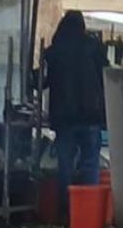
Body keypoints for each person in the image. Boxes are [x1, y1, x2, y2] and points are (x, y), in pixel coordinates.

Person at [43, 11, 107, 187]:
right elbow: (106, 76)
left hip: (64, 117)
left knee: (65, 166)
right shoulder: (94, 47)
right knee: (90, 163)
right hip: (91, 115)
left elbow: (44, 81)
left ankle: (66, 202)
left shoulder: (54, 51)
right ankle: (89, 201)